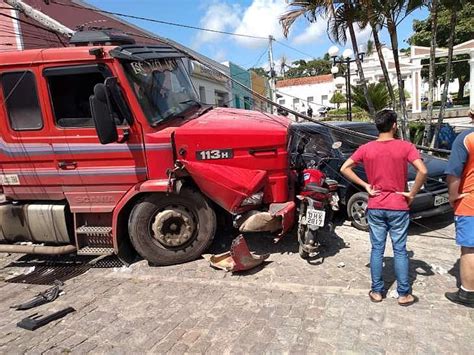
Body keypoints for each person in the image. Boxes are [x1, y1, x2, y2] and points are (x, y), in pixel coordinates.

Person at [340, 109, 427, 306]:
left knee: (377, 249)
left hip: (376, 204)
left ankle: (377, 291)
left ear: (377, 126)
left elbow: (345, 167)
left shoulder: (366, 148)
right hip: (398, 205)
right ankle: (404, 294)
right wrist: (412, 193)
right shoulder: (406, 147)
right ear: (394, 125)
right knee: (400, 250)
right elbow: (423, 170)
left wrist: (365, 186)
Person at [444, 126, 474, 308]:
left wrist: (452, 196)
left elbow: (454, 173)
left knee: (469, 249)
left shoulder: (466, 138)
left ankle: (468, 293)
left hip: (470, 201)